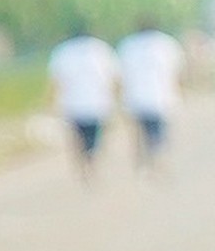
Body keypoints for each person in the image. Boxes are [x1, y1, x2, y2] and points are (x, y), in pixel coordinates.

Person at [47, 31, 118, 178]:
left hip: (73, 105)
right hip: (97, 105)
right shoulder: (100, 49)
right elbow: (113, 78)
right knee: (94, 139)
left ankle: (83, 164)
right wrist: (114, 99)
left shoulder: (63, 51)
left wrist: (50, 102)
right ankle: (91, 162)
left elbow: (56, 81)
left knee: (78, 139)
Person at [116, 24, 184, 170]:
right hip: (162, 98)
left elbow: (120, 76)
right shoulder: (166, 44)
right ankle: (158, 162)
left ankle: (144, 163)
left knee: (140, 134)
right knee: (159, 134)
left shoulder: (129, 45)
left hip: (136, 99)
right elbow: (178, 71)